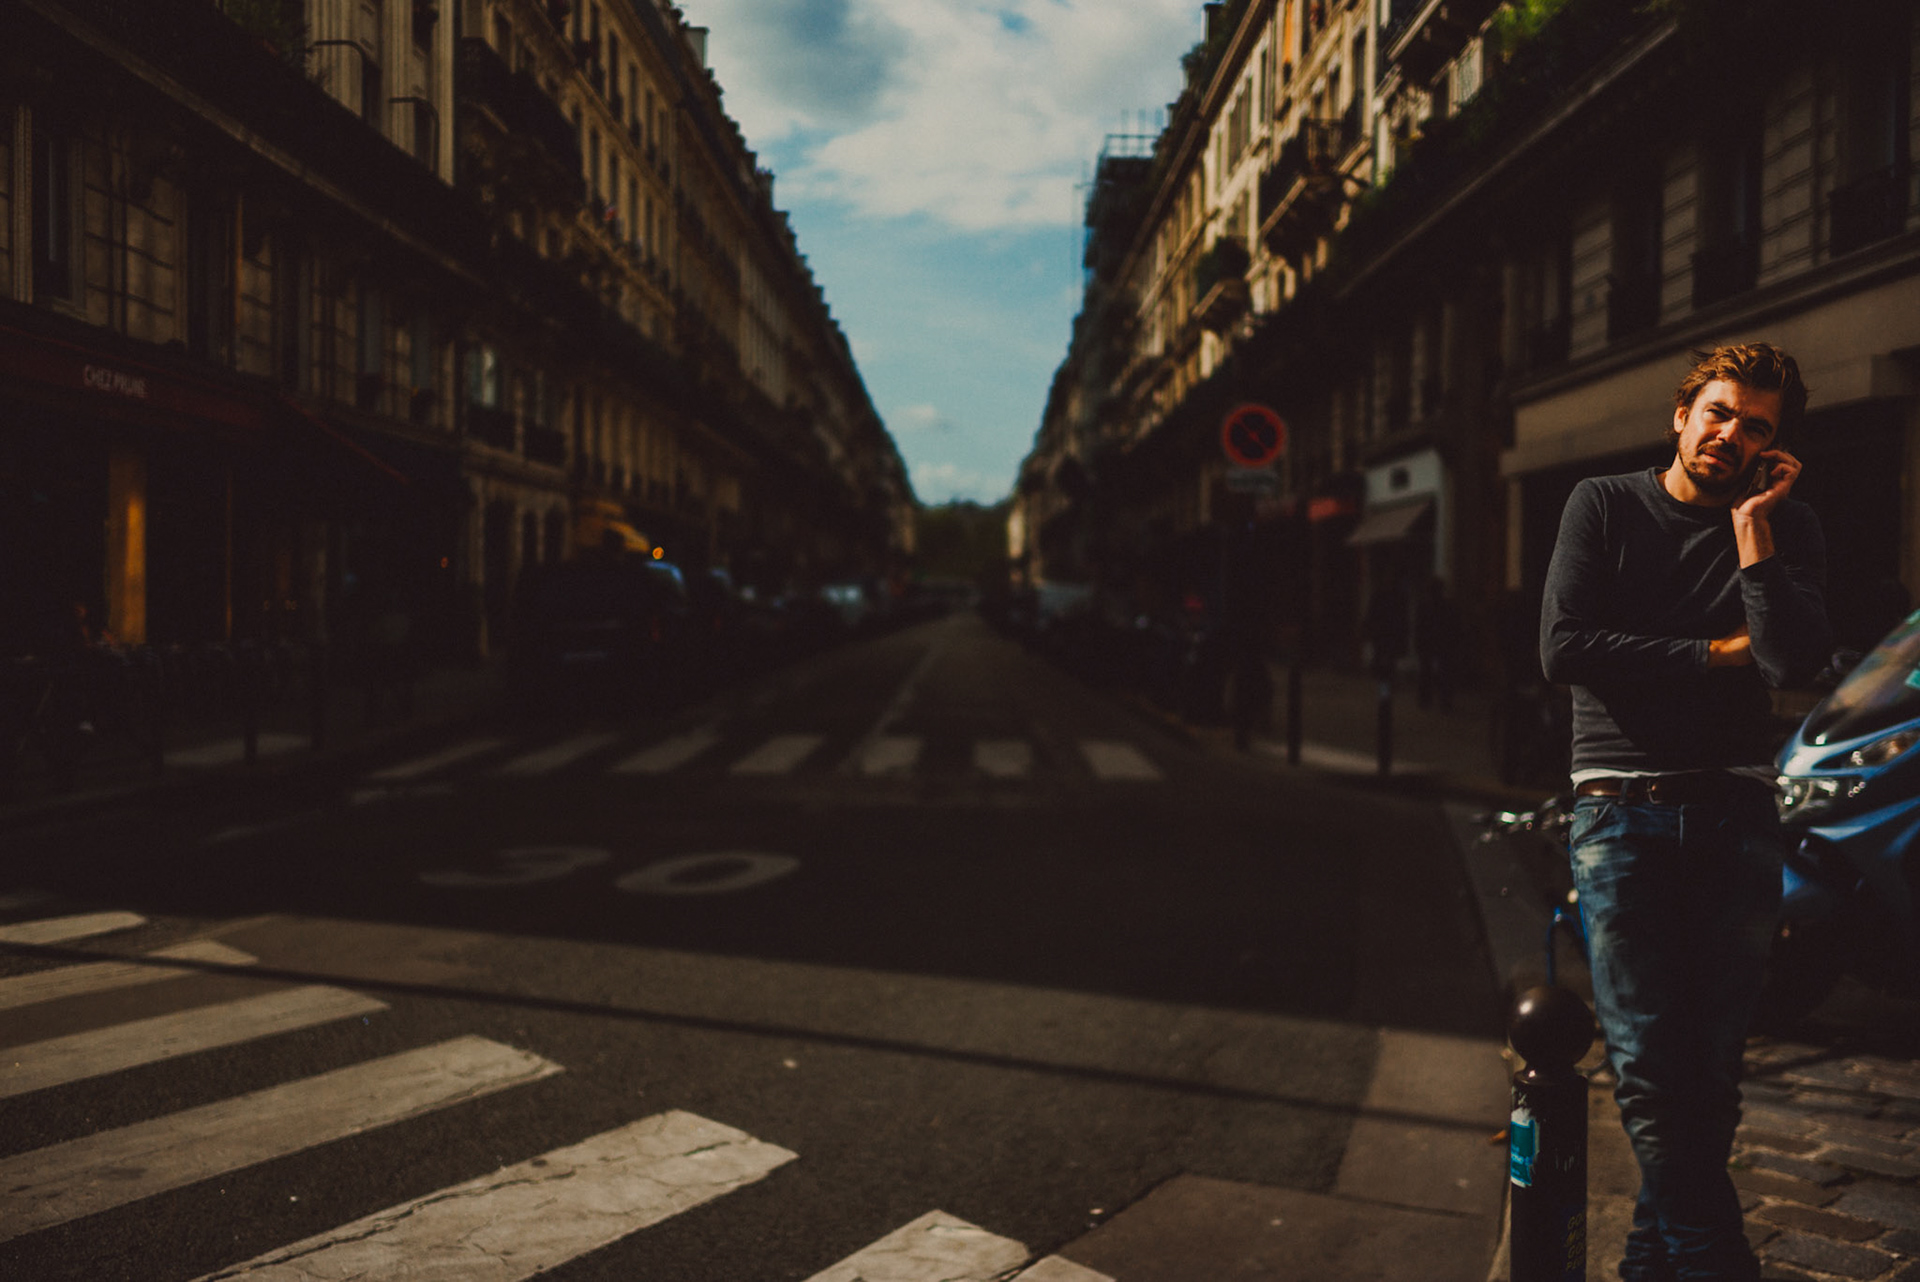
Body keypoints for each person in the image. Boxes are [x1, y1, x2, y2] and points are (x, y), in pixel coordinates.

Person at [1540, 342, 1831, 1280]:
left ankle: (1648, 1271)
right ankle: (1718, 1264)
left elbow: (1790, 663)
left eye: (1757, 426)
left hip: (1737, 818)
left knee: (1711, 1079)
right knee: (1656, 1077)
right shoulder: (1606, 505)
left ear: (1772, 446)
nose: (1731, 435)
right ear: (1681, 413)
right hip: (1620, 816)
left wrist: (1755, 533)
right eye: (1718, 412)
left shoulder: (1787, 527)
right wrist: (1714, 654)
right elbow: (1567, 645)